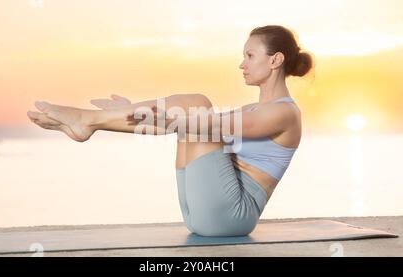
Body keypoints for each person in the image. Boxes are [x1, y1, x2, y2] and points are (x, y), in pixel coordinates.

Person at [27, 25, 314, 236]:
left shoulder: (285, 113)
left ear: (275, 60)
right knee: (194, 111)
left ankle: (86, 120)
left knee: (198, 108)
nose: (242, 64)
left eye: (250, 55)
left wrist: (123, 114)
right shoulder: (250, 109)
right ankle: (88, 123)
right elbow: (181, 124)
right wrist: (122, 113)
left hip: (232, 216)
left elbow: (200, 123)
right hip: (204, 212)